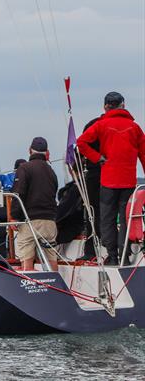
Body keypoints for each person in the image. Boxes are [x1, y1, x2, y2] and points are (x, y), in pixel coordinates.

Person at [76, 92, 145, 265]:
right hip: (128, 181)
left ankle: (112, 256)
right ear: (123, 105)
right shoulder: (134, 128)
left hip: (108, 181)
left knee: (107, 218)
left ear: (106, 106)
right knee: (126, 218)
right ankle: (126, 255)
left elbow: (81, 143)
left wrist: (97, 157)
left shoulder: (101, 125)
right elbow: (144, 154)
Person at [11, 137, 58, 271]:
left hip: (30, 221)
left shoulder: (24, 168)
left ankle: (31, 288)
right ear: (46, 152)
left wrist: (14, 217)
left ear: (30, 150)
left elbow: (18, 194)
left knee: (27, 259)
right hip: (49, 221)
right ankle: (57, 288)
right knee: (51, 258)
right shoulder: (51, 171)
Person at [78, 117, 103, 260]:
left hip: (95, 173)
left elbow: (81, 144)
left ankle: (91, 251)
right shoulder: (129, 126)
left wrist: (95, 158)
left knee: (92, 211)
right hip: (116, 173)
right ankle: (120, 249)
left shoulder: (94, 125)